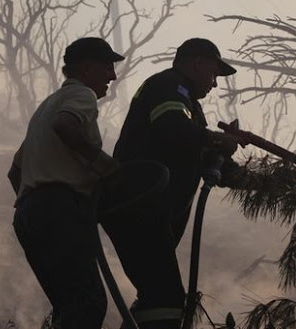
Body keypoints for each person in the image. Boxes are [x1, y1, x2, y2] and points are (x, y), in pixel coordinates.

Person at [102, 38, 243, 329]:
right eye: (214, 74)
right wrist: (217, 139)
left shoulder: (188, 104)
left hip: (147, 212)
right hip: (137, 207)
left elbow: (205, 157)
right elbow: (172, 128)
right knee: (165, 298)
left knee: (157, 295)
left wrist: (263, 183)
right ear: (197, 63)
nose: (215, 84)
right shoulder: (168, 85)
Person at [7, 37, 124, 329]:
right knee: (88, 304)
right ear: (86, 68)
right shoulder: (81, 95)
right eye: (107, 67)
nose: (113, 75)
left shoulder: (44, 109)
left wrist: (35, 203)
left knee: (68, 307)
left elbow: (15, 171)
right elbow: (65, 126)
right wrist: (105, 167)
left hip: (28, 216)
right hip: (58, 210)